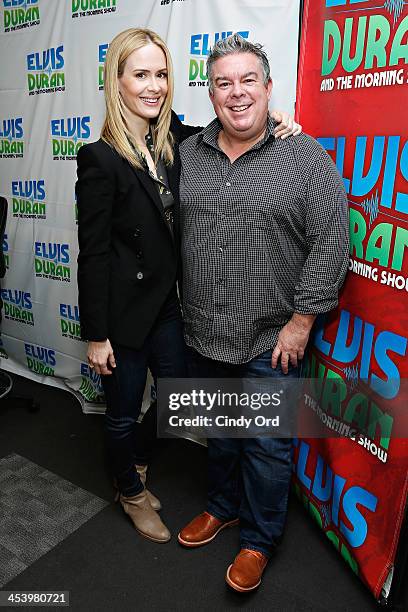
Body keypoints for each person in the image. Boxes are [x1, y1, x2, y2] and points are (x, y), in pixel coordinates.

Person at [76, 28, 300, 544]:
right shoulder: (99, 157)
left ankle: (136, 464)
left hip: (169, 309)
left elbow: (233, 125)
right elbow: (93, 253)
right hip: (124, 313)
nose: (153, 86)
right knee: (122, 413)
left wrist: (277, 122)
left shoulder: (174, 137)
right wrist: (96, 333)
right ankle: (130, 490)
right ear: (117, 81)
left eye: (161, 74)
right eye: (141, 75)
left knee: (183, 400)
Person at [177, 34, 349, 590]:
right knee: (222, 435)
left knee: (267, 446)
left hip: (271, 336)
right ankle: (222, 506)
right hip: (205, 331)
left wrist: (301, 323)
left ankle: (258, 538)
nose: (237, 92)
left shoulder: (303, 154)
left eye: (248, 80)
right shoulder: (189, 154)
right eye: (224, 83)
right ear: (211, 93)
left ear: (269, 88)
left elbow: (332, 240)